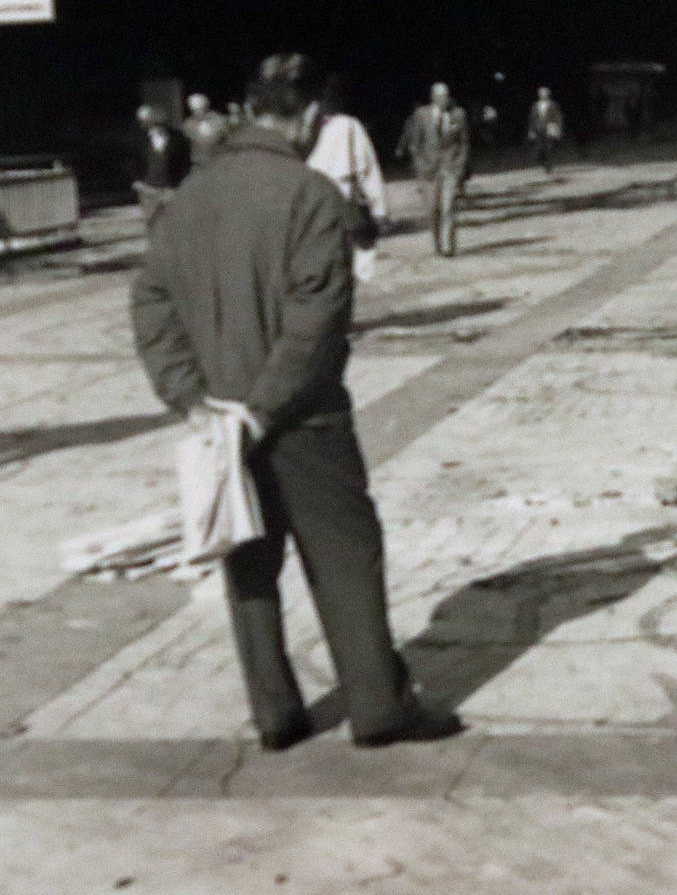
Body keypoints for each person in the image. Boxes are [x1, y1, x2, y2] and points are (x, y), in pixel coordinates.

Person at [130, 52, 463, 750]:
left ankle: (275, 714)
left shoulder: (187, 198)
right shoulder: (311, 195)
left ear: (250, 112)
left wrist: (193, 400)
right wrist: (265, 406)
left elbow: (151, 304)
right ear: (310, 114)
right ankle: (378, 707)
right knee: (345, 554)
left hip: (220, 418)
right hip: (303, 420)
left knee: (249, 563)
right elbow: (317, 320)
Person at [305, 81, 388, 283]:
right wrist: (379, 207)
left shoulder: (339, 126)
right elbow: (367, 167)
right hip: (336, 196)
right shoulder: (347, 125)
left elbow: (366, 167)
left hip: (326, 198)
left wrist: (379, 205)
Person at [396, 82, 469, 257]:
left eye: (447, 95)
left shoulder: (458, 115)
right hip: (429, 171)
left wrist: (459, 166)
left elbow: (464, 142)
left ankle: (448, 246)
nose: (445, 99)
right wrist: (421, 166)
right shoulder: (422, 115)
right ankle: (437, 243)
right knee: (433, 210)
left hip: (450, 168)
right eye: (441, 95)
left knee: (448, 208)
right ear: (434, 97)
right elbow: (415, 144)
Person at [132, 104, 190, 226]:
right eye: (151, 124)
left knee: (173, 223)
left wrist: (176, 187)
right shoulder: (140, 139)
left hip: (171, 189)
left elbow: (185, 164)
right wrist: (136, 181)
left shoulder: (178, 139)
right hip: (148, 189)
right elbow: (132, 161)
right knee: (152, 222)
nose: (156, 127)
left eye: (159, 123)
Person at [181, 93, 229, 169]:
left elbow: (224, 138)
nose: (197, 113)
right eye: (194, 110)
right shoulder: (188, 124)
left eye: (200, 109)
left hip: (219, 161)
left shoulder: (219, 120)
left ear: (206, 106)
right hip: (198, 163)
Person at [526, 86, 565, 174]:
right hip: (538, 129)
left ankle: (549, 166)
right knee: (539, 149)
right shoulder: (535, 106)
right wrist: (531, 131)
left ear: (548, 94)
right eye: (541, 93)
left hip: (549, 128)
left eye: (544, 93)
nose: (542, 95)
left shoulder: (553, 104)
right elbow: (532, 119)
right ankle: (543, 162)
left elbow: (558, 117)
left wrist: (558, 128)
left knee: (549, 148)